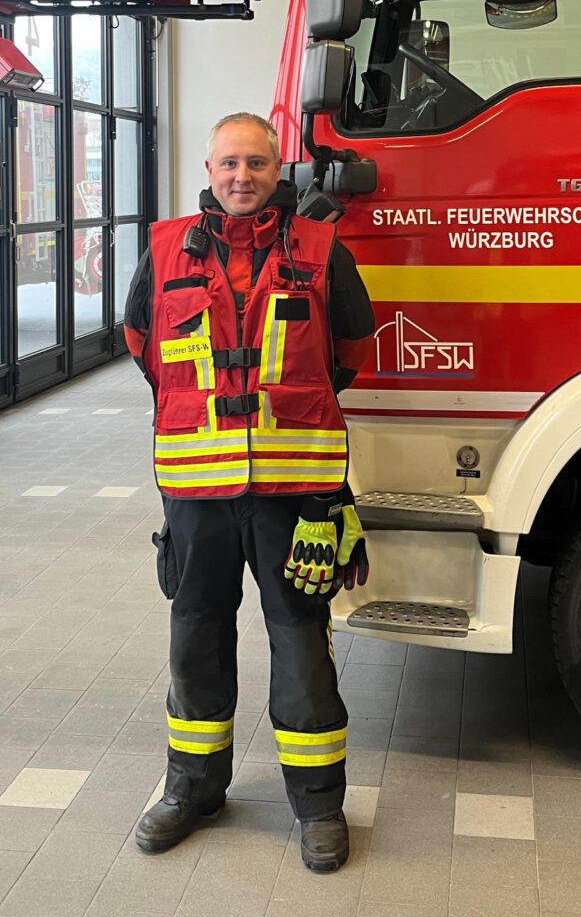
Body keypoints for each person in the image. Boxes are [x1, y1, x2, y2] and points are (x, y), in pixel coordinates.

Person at [123, 112, 374, 872]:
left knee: (300, 640)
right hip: (197, 491)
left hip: (294, 492)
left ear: (277, 170)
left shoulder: (323, 251)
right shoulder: (164, 249)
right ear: (209, 169)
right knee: (196, 636)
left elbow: (352, 349)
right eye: (230, 163)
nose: (242, 176)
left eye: (257, 163)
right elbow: (141, 344)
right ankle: (192, 788)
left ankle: (319, 805)